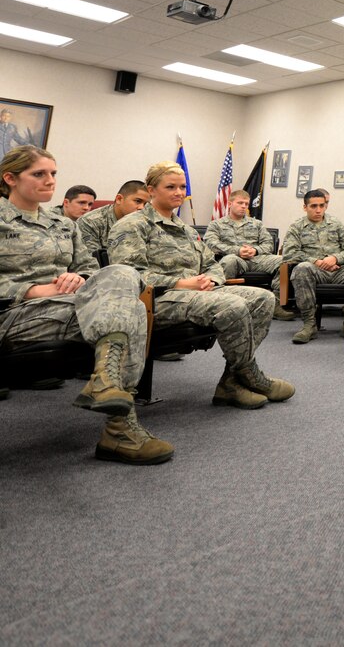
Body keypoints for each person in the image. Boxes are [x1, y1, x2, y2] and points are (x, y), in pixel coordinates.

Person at [1, 146, 172, 464]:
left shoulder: (64, 225)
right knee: (131, 310)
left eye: (53, 173)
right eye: (39, 174)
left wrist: (79, 278)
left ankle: (106, 385)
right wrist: (32, 289)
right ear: (10, 178)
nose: (50, 180)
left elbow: (91, 269)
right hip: (15, 313)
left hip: (71, 305)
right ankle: (119, 429)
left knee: (123, 275)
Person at [108, 161, 294, 410]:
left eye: (182, 186)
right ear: (151, 190)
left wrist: (212, 279)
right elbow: (130, 275)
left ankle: (230, 382)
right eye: (170, 186)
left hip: (198, 293)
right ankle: (251, 376)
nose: (179, 192)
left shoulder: (185, 229)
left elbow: (212, 263)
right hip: (158, 299)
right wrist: (182, 283)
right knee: (232, 304)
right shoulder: (132, 226)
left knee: (263, 299)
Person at [283, 189, 344, 344]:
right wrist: (317, 261)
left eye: (322, 205)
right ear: (305, 207)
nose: (318, 210)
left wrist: (335, 258)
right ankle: (309, 325)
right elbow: (290, 254)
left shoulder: (335, 224)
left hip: (338, 270)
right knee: (301, 268)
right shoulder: (296, 227)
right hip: (315, 271)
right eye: (313, 206)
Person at [203, 190, 295, 321]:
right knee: (229, 260)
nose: (243, 207)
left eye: (246, 204)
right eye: (240, 203)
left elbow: (269, 244)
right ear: (230, 204)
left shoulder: (256, 224)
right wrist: (237, 250)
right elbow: (211, 244)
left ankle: (276, 304)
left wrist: (255, 250)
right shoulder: (216, 224)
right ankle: (226, 304)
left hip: (256, 259)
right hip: (234, 258)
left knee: (284, 261)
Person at [76, 180, 149, 252]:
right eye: (138, 201)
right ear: (119, 199)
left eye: (145, 204)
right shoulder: (89, 222)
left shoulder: (147, 224)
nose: (141, 207)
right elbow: (92, 259)